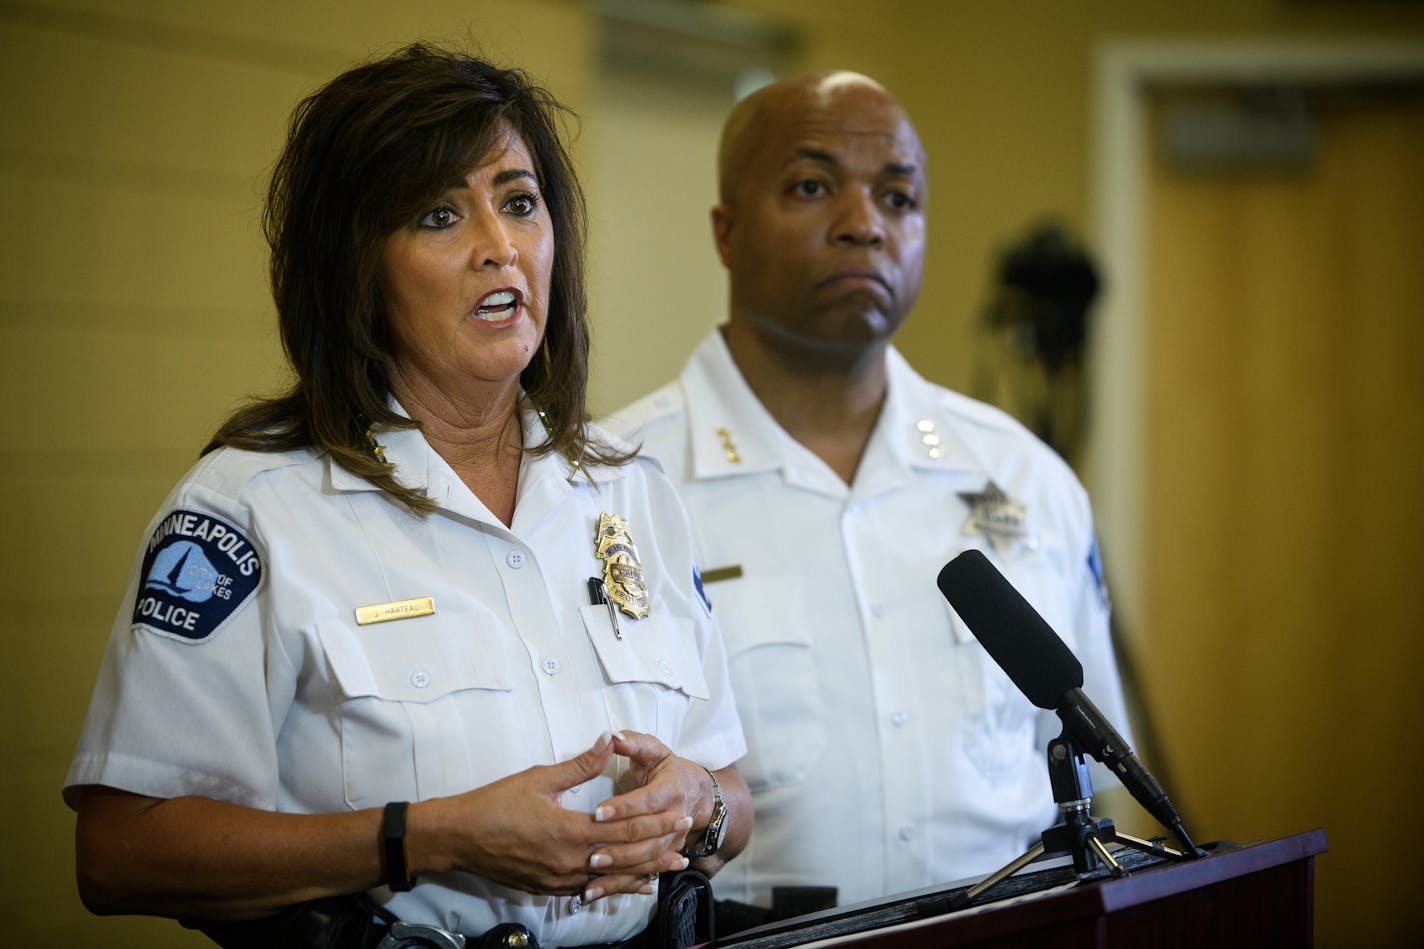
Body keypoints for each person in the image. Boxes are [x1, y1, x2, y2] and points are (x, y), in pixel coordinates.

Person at [64, 44, 749, 949]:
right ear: (356, 266)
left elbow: (733, 800)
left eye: (519, 202)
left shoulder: (631, 487)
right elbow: (120, 855)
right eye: (438, 214)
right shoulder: (249, 508)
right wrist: (428, 836)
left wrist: (696, 804)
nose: (500, 248)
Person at [606, 72, 1129, 914]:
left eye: (898, 196)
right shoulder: (618, 487)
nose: (864, 225)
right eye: (812, 187)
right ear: (726, 232)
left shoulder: (1027, 479)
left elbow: (1104, 782)